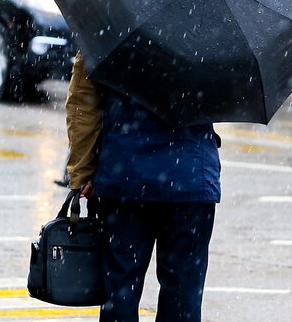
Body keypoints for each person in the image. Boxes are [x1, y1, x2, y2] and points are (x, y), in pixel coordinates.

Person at [65, 53, 220, 322]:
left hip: (125, 175)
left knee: (120, 290)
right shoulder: (213, 24)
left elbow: (83, 101)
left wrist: (81, 172)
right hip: (190, 177)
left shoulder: (110, 18)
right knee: (183, 295)